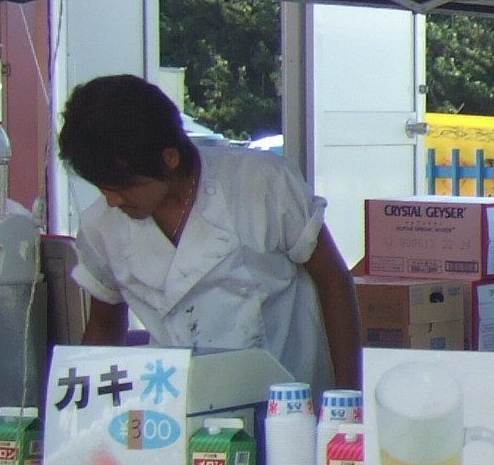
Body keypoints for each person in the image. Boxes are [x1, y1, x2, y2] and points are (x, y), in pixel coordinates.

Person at [60, 74, 361, 393]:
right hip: (174, 405)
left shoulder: (261, 184)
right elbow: (104, 327)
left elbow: (333, 280)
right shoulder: (101, 225)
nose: (113, 200)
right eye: (103, 188)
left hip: (286, 398)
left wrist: (348, 395)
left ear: (169, 159)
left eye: (126, 187)